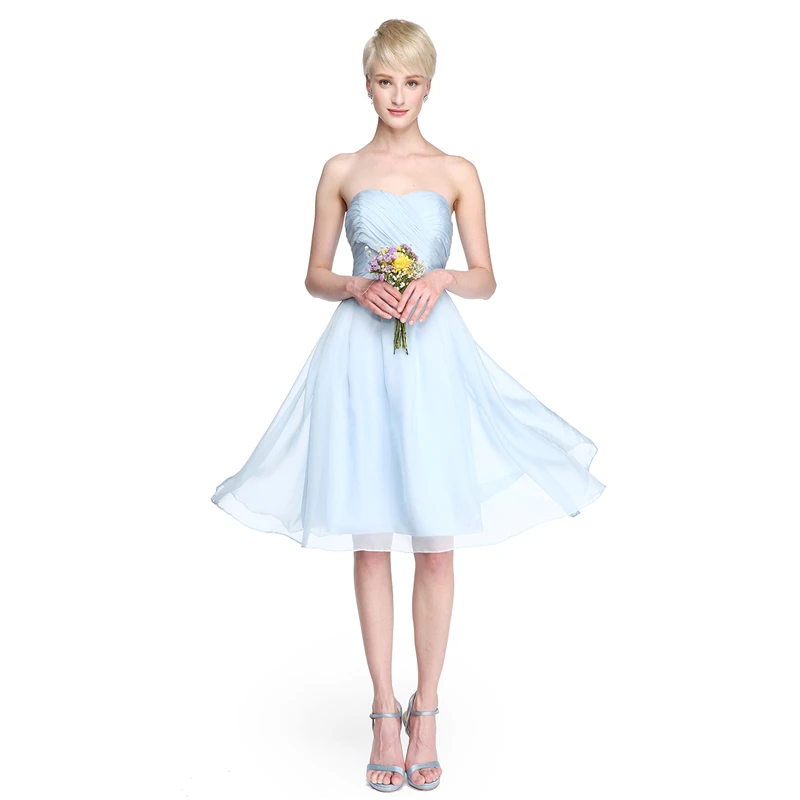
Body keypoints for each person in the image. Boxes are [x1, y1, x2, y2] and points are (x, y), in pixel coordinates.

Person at [211, 18, 605, 792]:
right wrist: (355, 285)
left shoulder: (457, 171)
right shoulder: (341, 168)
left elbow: (486, 275)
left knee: (434, 543)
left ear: (429, 87)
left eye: (412, 82)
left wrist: (442, 277)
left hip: (433, 361)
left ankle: (427, 709)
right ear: (367, 85)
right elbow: (313, 273)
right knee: (370, 542)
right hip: (360, 358)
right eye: (386, 81)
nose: (398, 95)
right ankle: (383, 714)